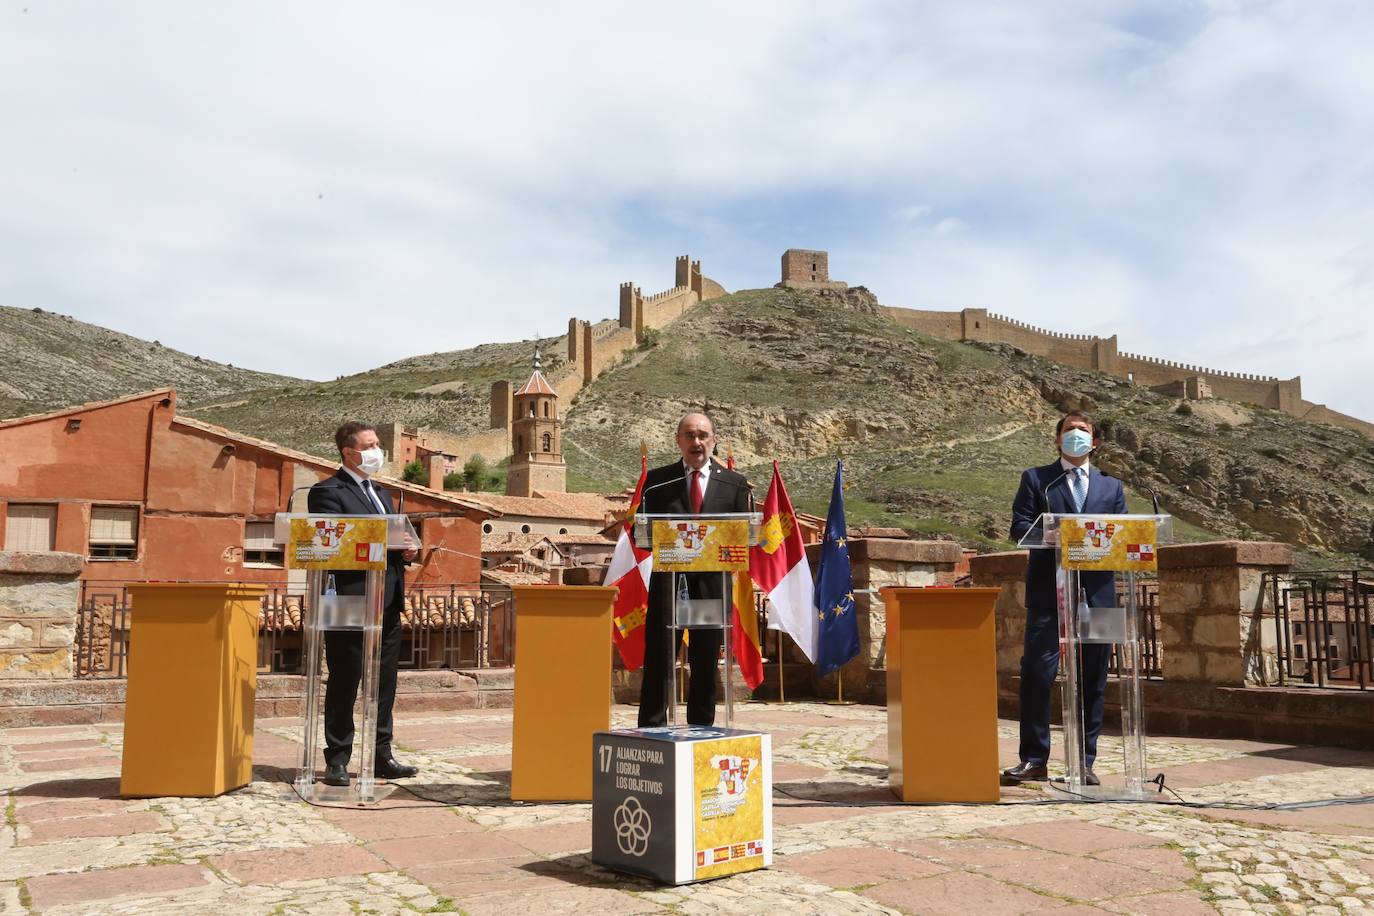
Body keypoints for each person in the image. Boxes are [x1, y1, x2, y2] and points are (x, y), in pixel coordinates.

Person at [1002, 411, 1126, 787]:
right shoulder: (1037, 478)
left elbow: (1121, 533)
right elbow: (1019, 527)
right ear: (1057, 440)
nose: (1076, 435)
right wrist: (1055, 533)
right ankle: (1034, 758)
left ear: (1095, 442)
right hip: (1047, 592)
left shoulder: (1112, 486)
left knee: (1095, 676)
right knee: (1038, 674)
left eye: (1083, 431)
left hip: (1101, 594)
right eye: (1069, 430)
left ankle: (1084, 761)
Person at [308, 421, 419, 787]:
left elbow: (390, 538)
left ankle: (381, 755)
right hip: (346, 596)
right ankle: (337, 758)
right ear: (348, 452)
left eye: (377, 445)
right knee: (345, 678)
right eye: (369, 445)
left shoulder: (383, 494)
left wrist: (407, 547)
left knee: (384, 682)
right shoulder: (326, 492)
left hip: (386, 599)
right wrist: (387, 541)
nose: (376, 452)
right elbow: (333, 543)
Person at [637, 412, 752, 727]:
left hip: (709, 588)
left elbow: (744, 537)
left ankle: (702, 731)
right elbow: (645, 536)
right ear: (678, 441)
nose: (696, 442)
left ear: (714, 440)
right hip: (669, 587)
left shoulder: (735, 484)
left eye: (703, 435)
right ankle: (652, 731)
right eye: (689, 435)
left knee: (704, 664)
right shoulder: (659, 482)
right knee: (661, 660)